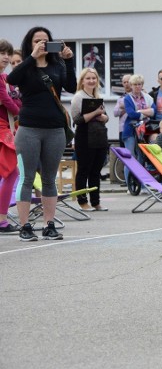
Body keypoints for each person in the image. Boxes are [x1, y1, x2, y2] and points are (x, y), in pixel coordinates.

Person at [8, 26, 76, 241]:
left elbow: (72, 87)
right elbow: (12, 80)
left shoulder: (57, 65)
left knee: (49, 179)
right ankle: (25, 225)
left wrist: (69, 60)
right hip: (29, 129)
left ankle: (49, 224)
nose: (42, 44)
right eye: (37, 40)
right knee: (27, 178)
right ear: (30, 43)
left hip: (55, 129)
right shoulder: (26, 66)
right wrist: (31, 57)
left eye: (46, 40)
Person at [70, 68, 110, 211]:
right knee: (84, 170)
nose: (91, 81)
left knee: (96, 171)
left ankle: (95, 201)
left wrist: (104, 117)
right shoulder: (78, 97)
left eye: (94, 78)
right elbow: (77, 120)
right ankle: (82, 202)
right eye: (88, 78)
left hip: (99, 137)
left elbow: (105, 116)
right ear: (82, 81)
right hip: (84, 138)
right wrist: (96, 113)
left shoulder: (96, 96)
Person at [0, 40, 21, 233]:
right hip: (2, 130)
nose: (6, 57)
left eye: (8, 53)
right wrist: (18, 111)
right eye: (2, 53)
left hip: (6, 128)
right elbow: (8, 100)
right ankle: (2, 219)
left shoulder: (5, 78)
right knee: (11, 172)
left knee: (9, 172)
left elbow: (15, 98)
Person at [121, 74, 155, 186]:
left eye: (139, 84)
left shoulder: (148, 97)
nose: (137, 86)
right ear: (131, 85)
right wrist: (145, 112)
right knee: (130, 158)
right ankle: (129, 184)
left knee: (141, 158)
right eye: (135, 84)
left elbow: (154, 112)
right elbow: (131, 114)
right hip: (130, 131)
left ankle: (140, 184)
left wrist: (139, 112)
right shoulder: (127, 98)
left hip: (144, 131)